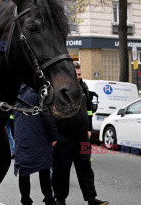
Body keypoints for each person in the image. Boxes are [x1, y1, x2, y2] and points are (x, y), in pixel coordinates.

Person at [52, 62, 108, 205]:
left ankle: (91, 198)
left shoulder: (83, 87)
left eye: (80, 74)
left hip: (82, 136)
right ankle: (60, 198)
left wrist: (89, 128)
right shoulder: (59, 88)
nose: (78, 77)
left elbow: (89, 109)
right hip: (64, 136)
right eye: (76, 74)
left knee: (85, 167)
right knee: (61, 169)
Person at [14, 84, 57, 205]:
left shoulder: (16, 93)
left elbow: (12, 118)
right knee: (44, 170)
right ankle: (49, 198)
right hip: (40, 136)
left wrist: (15, 135)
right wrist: (53, 135)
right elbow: (46, 116)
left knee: (23, 171)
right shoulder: (37, 92)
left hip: (21, 137)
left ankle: (25, 200)